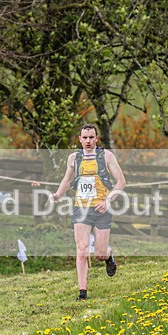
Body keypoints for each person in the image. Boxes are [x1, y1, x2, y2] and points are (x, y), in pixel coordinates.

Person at [50, 124, 126, 301]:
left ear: (97, 139)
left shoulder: (106, 156)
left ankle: (108, 256)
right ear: (80, 139)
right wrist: (57, 194)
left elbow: (121, 182)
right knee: (82, 249)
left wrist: (108, 201)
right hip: (81, 208)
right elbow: (67, 180)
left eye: (91, 137)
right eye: (85, 138)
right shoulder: (74, 158)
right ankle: (82, 293)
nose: (88, 141)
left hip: (101, 208)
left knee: (99, 253)